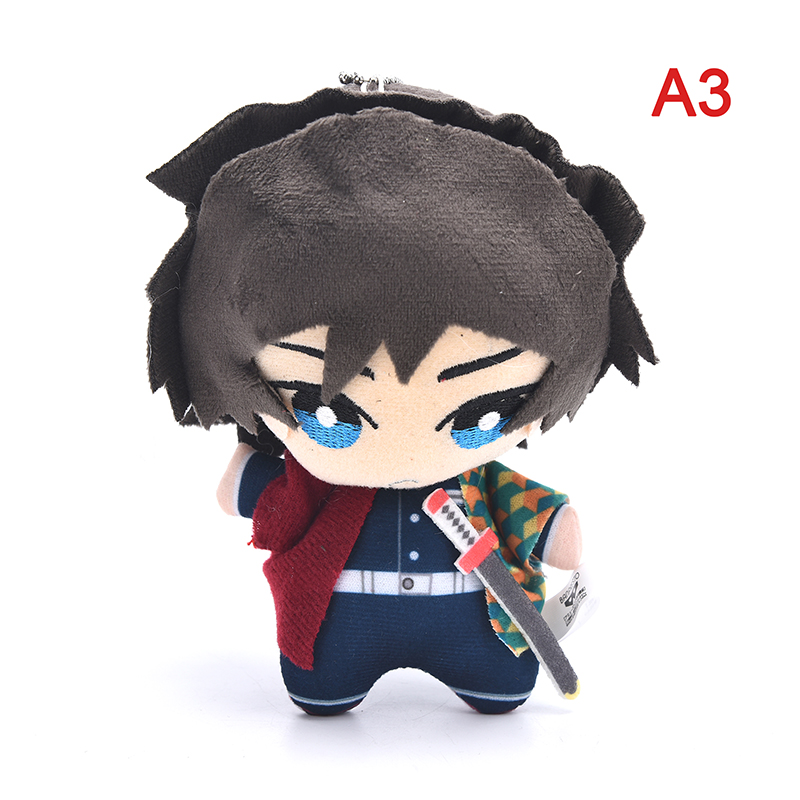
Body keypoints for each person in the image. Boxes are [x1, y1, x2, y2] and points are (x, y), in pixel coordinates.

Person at [146, 77, 655, 714]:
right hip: (334, 633)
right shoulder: (312, 488)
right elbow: (246, 493)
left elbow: (546, 525)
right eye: (328, 413)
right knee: (322, 686)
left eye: (481, 414)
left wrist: (556, 532)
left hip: (475, 628)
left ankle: (483, 671)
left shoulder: (486, 490)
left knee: (498, 683)